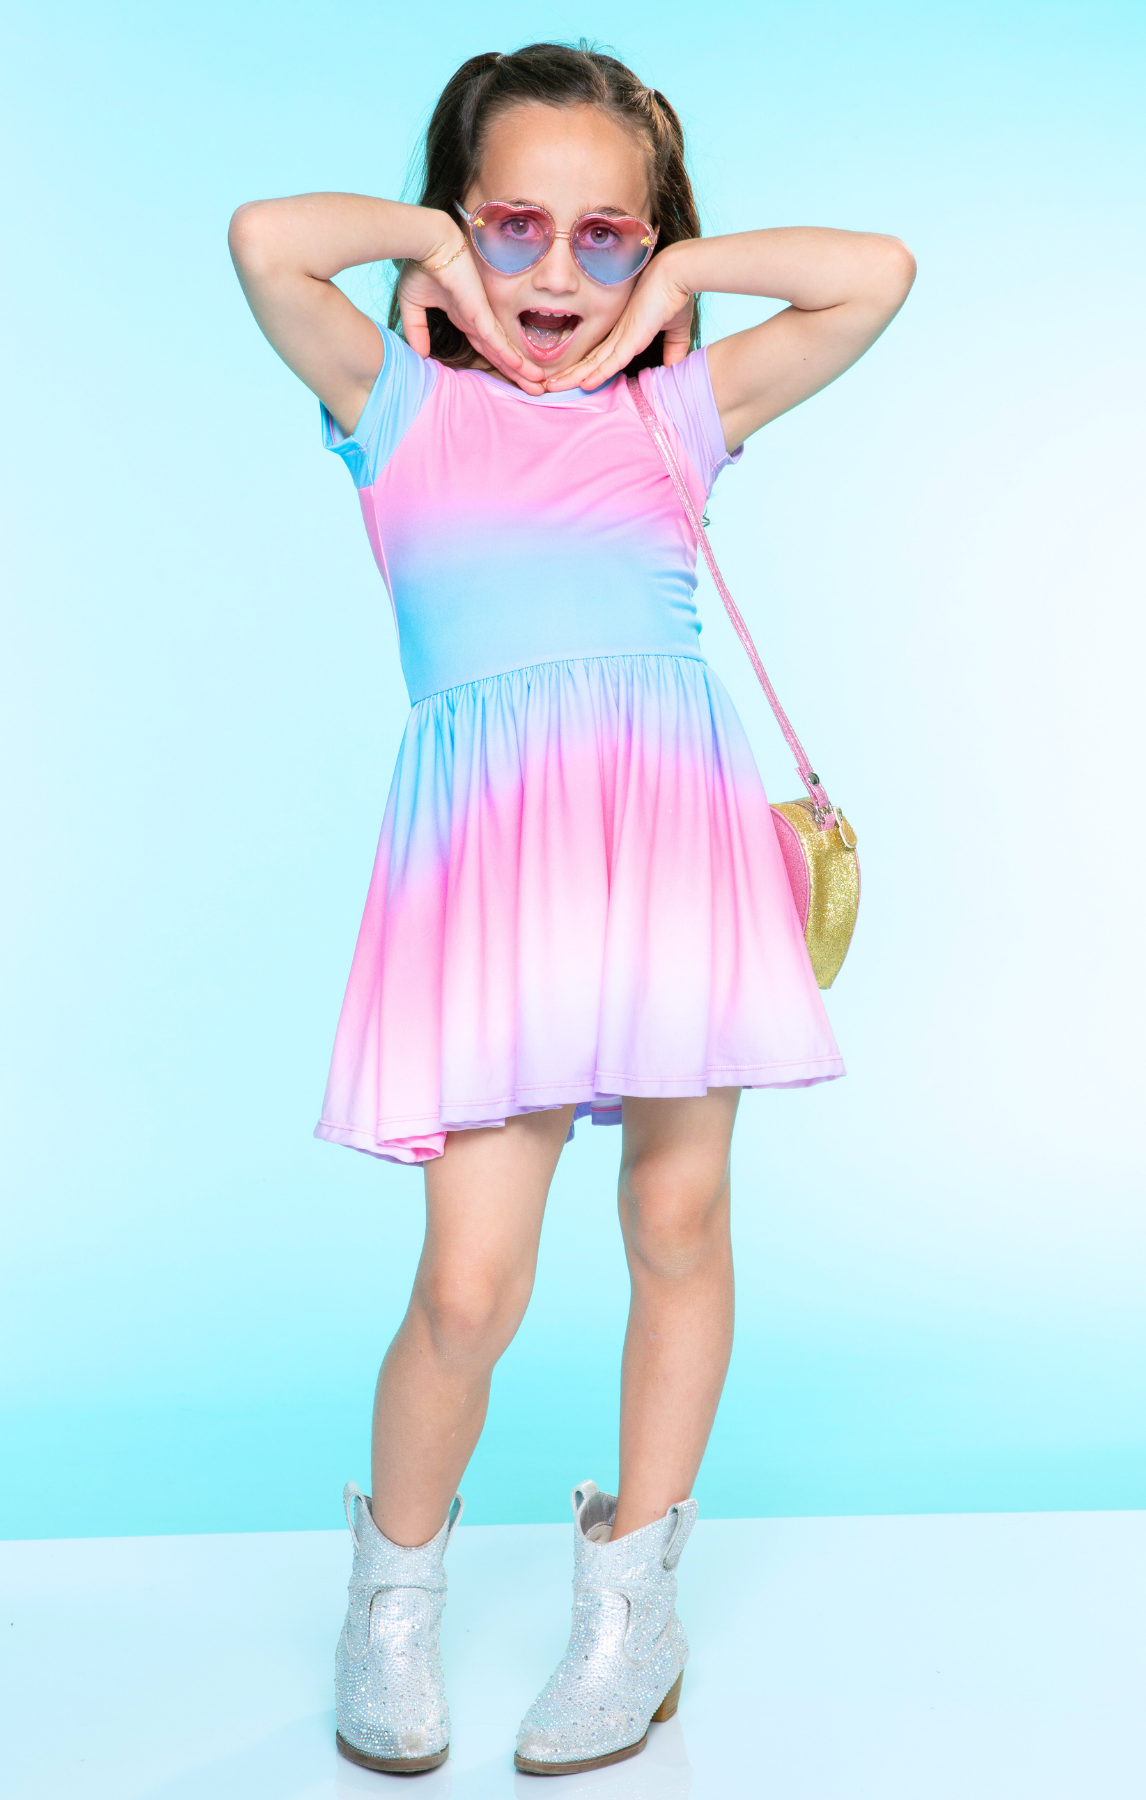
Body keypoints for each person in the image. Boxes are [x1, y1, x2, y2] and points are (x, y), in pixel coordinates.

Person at [229, 40, 914, 1778]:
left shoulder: (671, 415)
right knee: (470, 1285)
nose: (556, 268)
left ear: (649, 243)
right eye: (514, 225)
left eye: (605, 233)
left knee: (678, 1220)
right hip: (496, 877)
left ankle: (633, 1606)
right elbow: (264, 242)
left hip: (671, 848)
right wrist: (425, 246)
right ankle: (393, 1599)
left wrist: (685, 274)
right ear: (460, 227)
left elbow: (876, 275)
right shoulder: (398, 404)